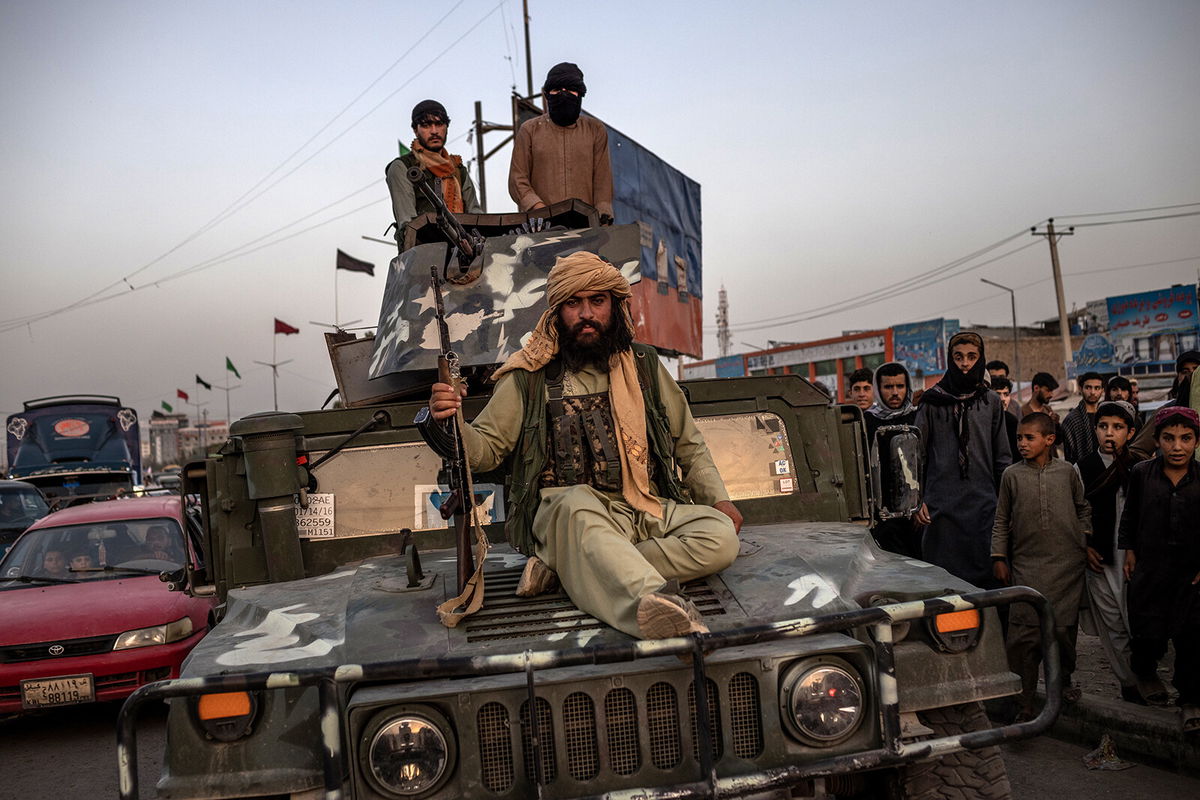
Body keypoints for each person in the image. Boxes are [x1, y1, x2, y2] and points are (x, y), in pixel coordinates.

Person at [426, 251, 740, 639]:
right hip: (567, 515)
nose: (586, 313)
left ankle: (572, 571)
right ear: (557, 312)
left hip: (640, 504)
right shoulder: (530, 376)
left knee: (721, 537)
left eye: (597, 301)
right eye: (573, 303)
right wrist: (453, 420)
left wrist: (718, 499)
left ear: (614, 305)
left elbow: (687, 442)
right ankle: (649, 603)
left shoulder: (643, 365)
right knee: (575, 501)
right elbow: (488, 448)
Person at [991, 412, 1090, 719]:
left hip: (1067, 567)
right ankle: (1023, 703)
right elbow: (1002, 519)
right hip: (1026, 565)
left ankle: (1063, 684)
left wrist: (1084, 539)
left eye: (1029, 438)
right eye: (1019, 437)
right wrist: (999, 556)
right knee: (1023, 637)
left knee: (1062, 632)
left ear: (1049, 440)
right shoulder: (1011, 475)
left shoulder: (1067, 472)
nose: (1022, 443)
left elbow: (1083, 508)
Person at [1119, 406, 1200, 731]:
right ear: (1157, 440)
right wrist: (1129, 552)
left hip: (1190, 574)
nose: (1177, 447)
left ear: (1196, 442)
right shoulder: (1141, 473)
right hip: (1151, 567)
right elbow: (1130, 514)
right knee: (1148, 630)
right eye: (1169, 438)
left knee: (1192, 637)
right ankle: (1146, 672)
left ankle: (1191, 698)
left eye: (1185, 438)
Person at [914, 331, 1012, 587]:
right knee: (944, 583)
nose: (965, 363)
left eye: (971, 357)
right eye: (958, 357)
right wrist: (916, 499)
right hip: (940, 508)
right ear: (950, 359)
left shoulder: (990, 401)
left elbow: (1002, 457)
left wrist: (1008, 503)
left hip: (984, 507)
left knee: (987, 583)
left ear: (980, 359)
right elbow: (916, 456)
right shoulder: (931, 402)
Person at [1075, 401, 1143, 704]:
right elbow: (1076, 513)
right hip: (1100, 560)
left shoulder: (1141, 466)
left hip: (1135, 561)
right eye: (1103, 427)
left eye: (1117, 427)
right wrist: (1085, 546)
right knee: (1113, 627)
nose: (1109, 433)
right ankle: (1130, 686)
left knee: (1138, 624)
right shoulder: (1082, 468)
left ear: (1130, 432)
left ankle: (1146, 676)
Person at [508, 63, 614, 223]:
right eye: (557, 90)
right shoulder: (530, 130)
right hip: (540, 229)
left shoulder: (595, 130)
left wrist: (602, 217)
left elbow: (602, 182)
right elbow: (517, 180)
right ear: (547, 94)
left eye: (570, 90)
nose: (563, 95)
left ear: (580, 94)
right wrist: (542, 211)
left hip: (587, 228)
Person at [385, 100, 482, 230]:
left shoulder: (457, 169)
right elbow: (409, 226)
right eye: (426, 125)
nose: (434, 131)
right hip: (424, 248)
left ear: (446, 127)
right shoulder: (402, 168)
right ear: (415, 130)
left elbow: (477, 218)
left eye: (439, 124)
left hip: (464, 247)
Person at [865, 362, 921, 557]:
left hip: (918, 513)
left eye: (900, 386)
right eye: (888, 387)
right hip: (883, 515)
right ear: (878, 389)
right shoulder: (868, 421)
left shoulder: (918, 417)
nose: (895, 392)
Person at [1061, 371, 1105, 463]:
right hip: (1081, 470)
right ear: (1081, 389)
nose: (1093, 392)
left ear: (1102, 390)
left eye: (1097, 388)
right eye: (1088, 387)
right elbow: (1070, 454)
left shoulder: (1106, 415)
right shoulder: (1072, 419)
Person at [991, 377, 1019, 463]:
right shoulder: (984, 420)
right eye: (998, 394)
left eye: (1006, 394)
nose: (1003, 399)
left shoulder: (1011, 421)